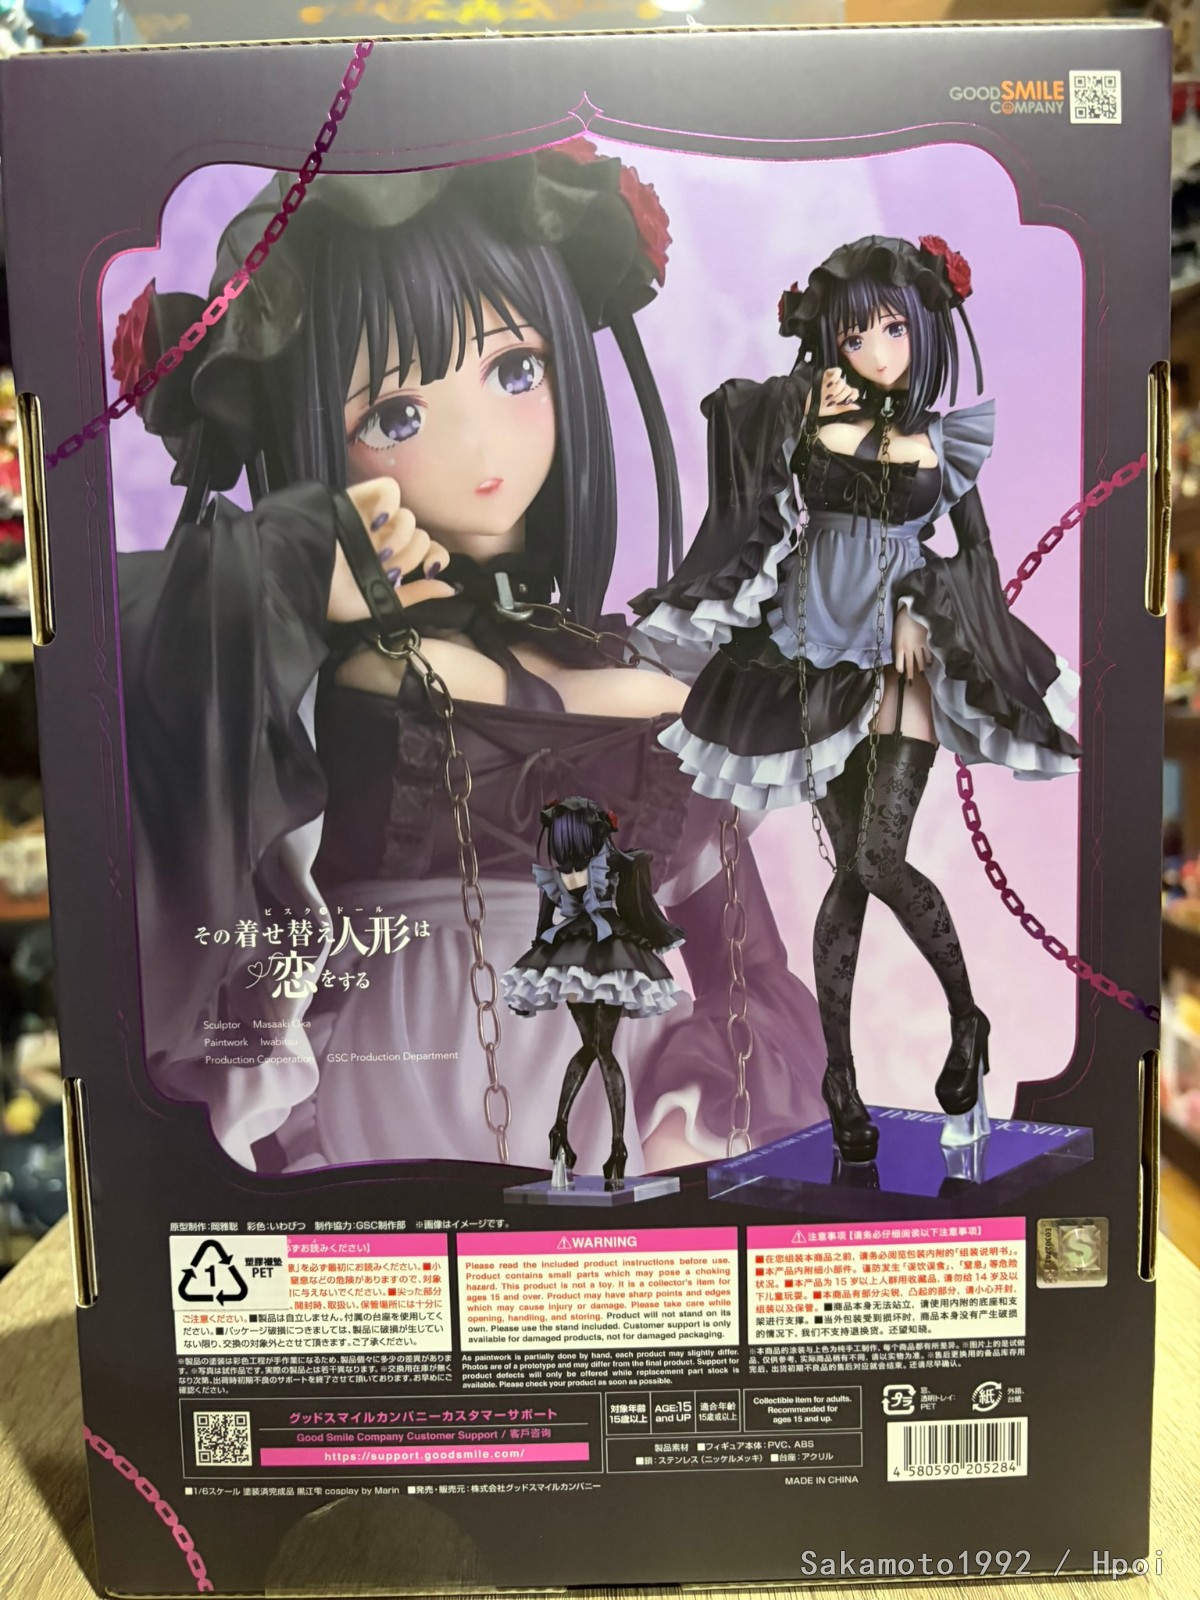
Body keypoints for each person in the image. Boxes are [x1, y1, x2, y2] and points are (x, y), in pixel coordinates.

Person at [113, 146, 827, 1177]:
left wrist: (703, 1110)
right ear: (317, 432)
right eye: (395, 415)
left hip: (631, 1125)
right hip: (372, 1120)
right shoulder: (285, 646)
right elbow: (125, 673)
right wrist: (297, 564)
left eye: (515, 370)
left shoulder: (654, 660)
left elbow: (745, 965)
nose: (480, 447)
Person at [633, 234, 1081, 1162]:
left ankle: (966, 1020)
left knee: (877, 856)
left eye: (893, 330)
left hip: (900, 659)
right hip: (810, 653)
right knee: (851, 870)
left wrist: (923, 605)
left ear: (925, 327)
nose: (877, 350)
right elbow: (735, 424)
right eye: (854, 335)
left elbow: (976, 556)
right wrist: (806, 396)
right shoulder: (808, 414)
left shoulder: (942, 442)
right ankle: (841, 1077)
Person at [502, 796, 686, 1187]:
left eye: (576, 853)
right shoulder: (557, 877)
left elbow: (629, 901)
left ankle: (573, 1134)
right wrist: (534, 981)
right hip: (574, 954)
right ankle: (602, 1144)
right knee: (596, 1048)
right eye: (563, 856)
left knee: (599, 1048)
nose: (570, 869)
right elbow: (542, 928)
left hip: (608, 955)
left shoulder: (616, 865)